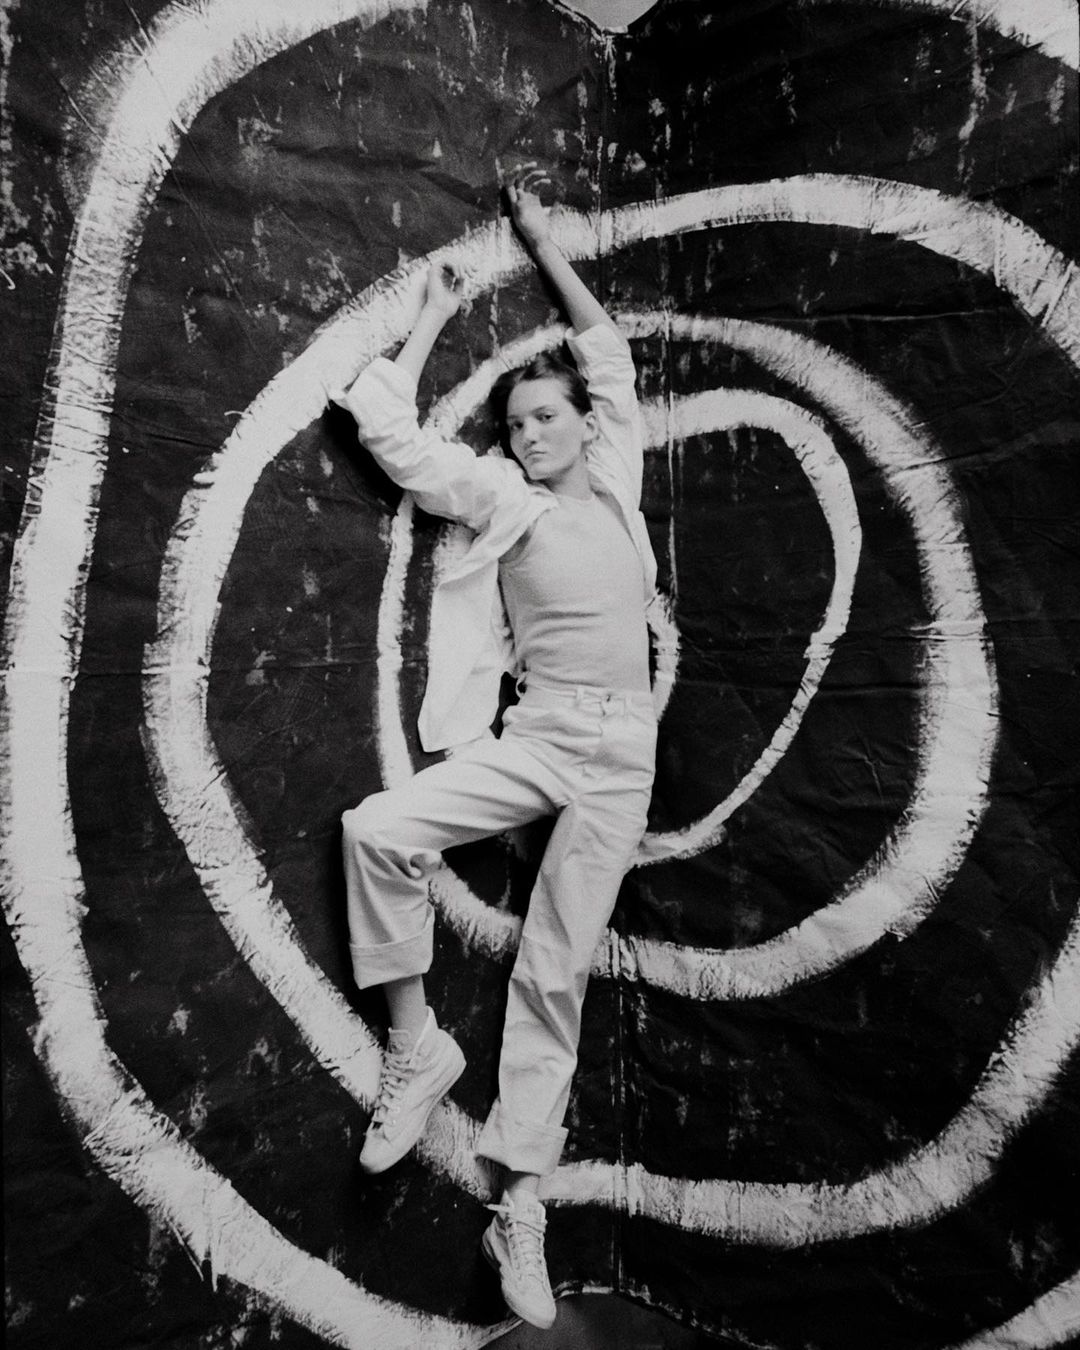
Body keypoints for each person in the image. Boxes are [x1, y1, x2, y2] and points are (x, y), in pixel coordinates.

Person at [335, 165, 659, 1330]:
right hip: (546, 736)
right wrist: (429, 319)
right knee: (377, 831)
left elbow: (607, 351)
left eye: (543, 418)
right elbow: (393, 435)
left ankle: (519, 1208)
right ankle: (415, 1046)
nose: (525, 435)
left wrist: (539, 240)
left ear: (583, 426)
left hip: (627, 756)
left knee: (554, 972)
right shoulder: (501, 499)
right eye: (516, 424)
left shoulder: (616, 484)